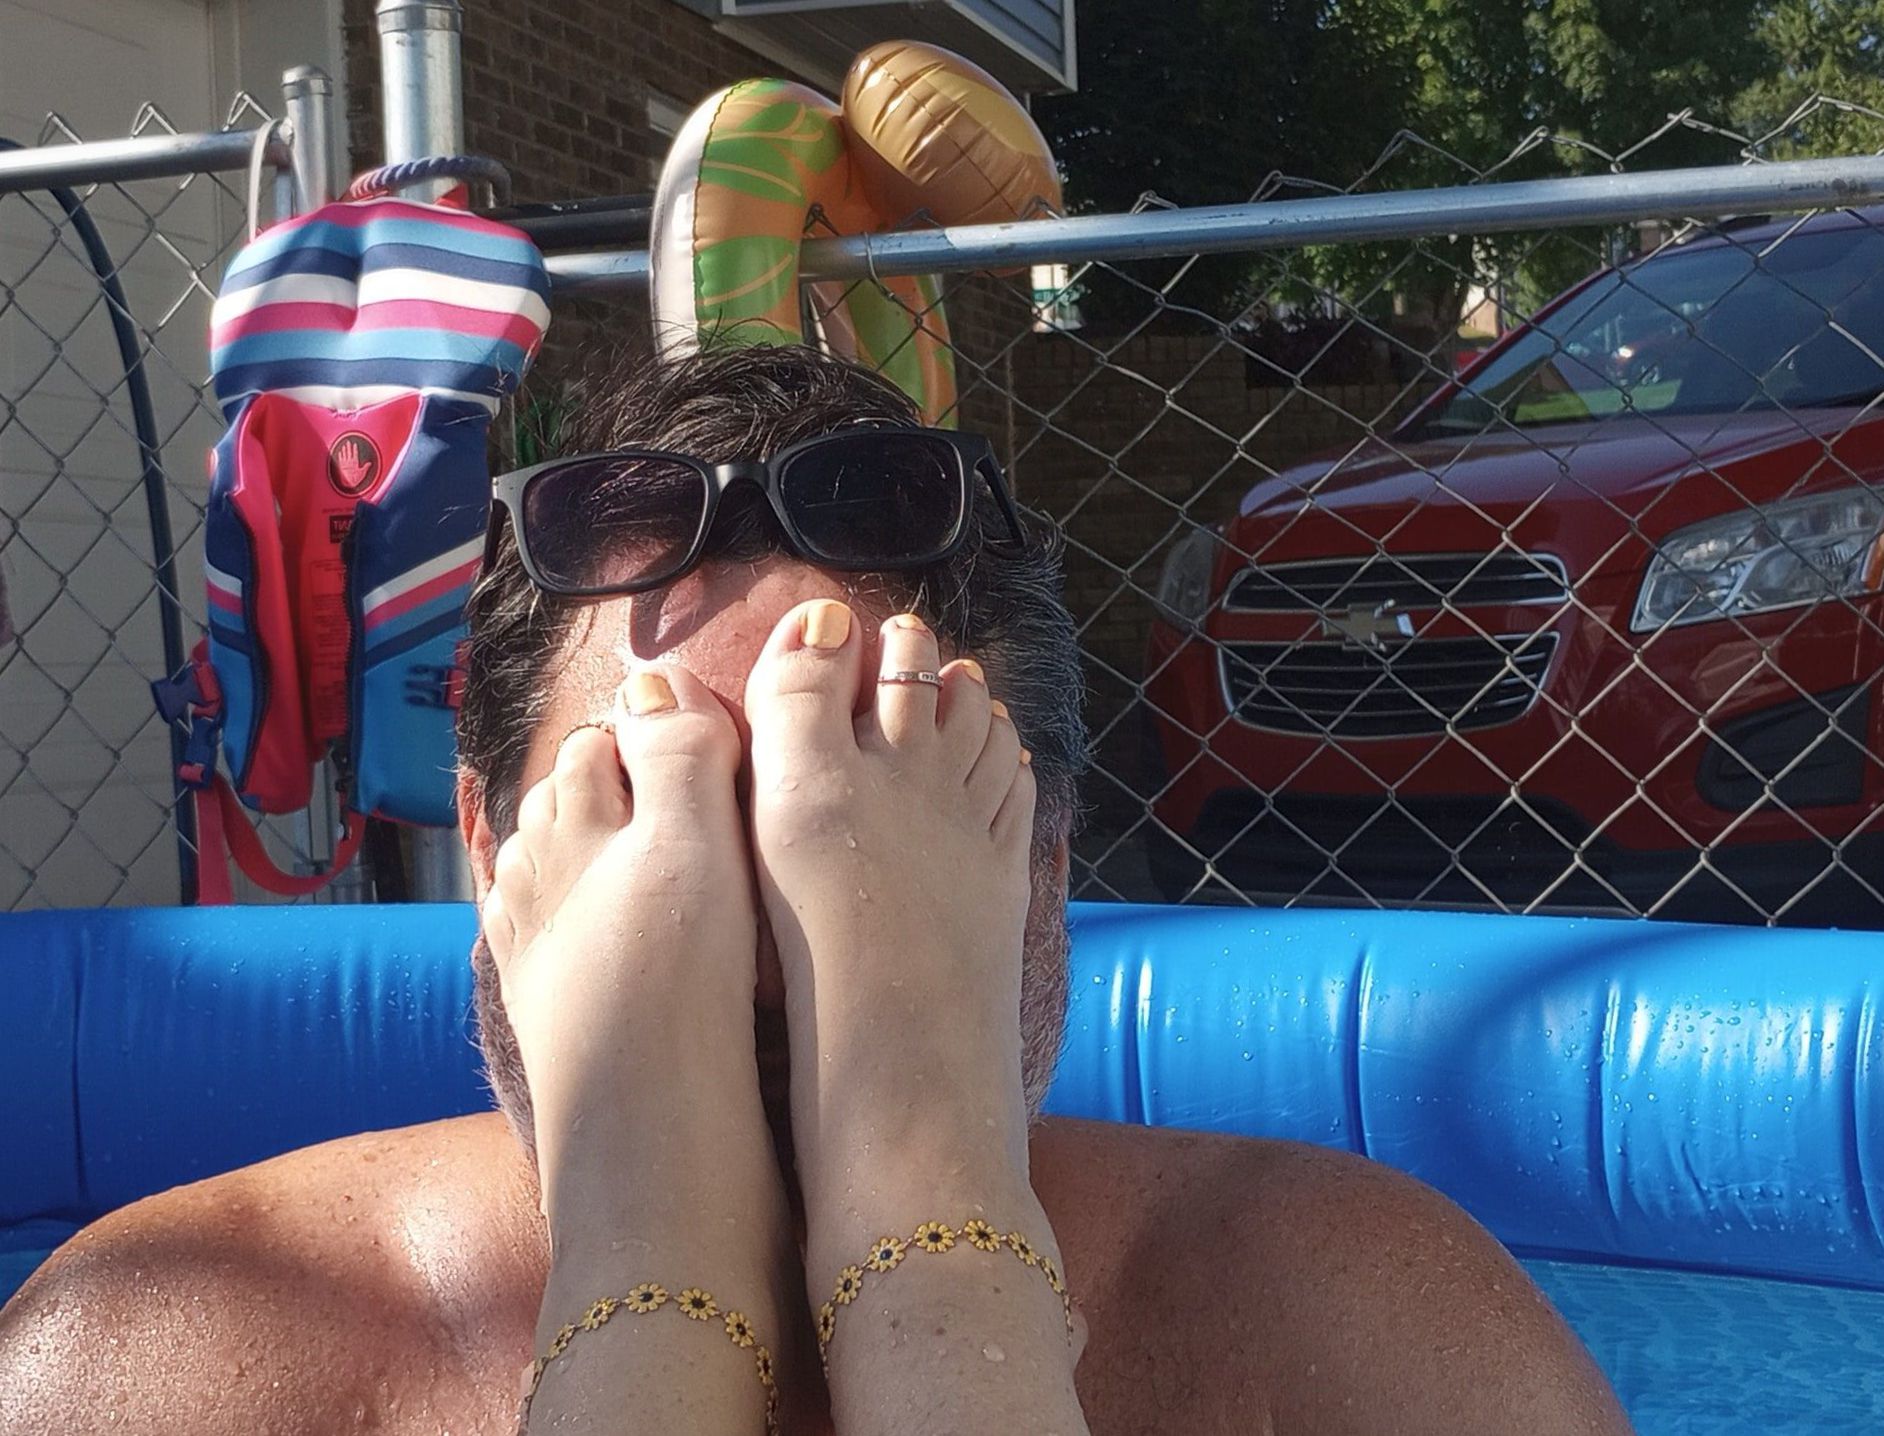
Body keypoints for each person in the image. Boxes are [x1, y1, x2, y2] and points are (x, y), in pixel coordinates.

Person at [0, 344, 1632, 1435]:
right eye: (664, 815)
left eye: (858, 837)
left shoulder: (1360, 1323)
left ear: (1044, 860)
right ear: (490, 853)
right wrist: (941, 1264)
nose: (757, 959)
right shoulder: (172, 1354)